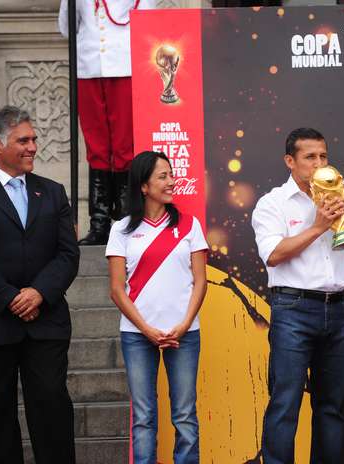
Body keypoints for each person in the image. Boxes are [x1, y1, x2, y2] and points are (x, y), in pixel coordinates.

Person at [251, 128, 344, 463]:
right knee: (285, 403)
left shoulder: (339, 197)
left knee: (331, 408)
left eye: (323, 156)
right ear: (290, 161)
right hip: (293, 310)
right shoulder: (272, 203)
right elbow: (273, 254)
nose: (318, 163)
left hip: (340, 311)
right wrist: (319, 225)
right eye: (309, 157)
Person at [0, 106, 79, 464]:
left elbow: (67, 254)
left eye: (34, 139)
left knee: (52, 407)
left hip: (47, 322)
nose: (33, 147)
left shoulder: (53, 192)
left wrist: (39, 292)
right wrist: (10, 297)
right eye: (23, 140)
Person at [106, 151, 208, 464]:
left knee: (185, 415)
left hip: (184, 333)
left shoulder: (189, 226)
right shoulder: (121, 229)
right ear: (143, 186)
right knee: (144, 416)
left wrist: (184, 323)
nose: (171, 182)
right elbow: (116, 290)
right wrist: (147, 330)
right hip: (137, 336)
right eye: (162, 176)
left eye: (171, 174)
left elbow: (200, 282)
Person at [58, 0, 156, 245]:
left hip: (125, 68)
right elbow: (65, 28)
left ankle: (127, 218)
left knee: (124, 146)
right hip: (89, 69)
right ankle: (99, 223)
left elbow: (147, 25)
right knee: (97, 148)